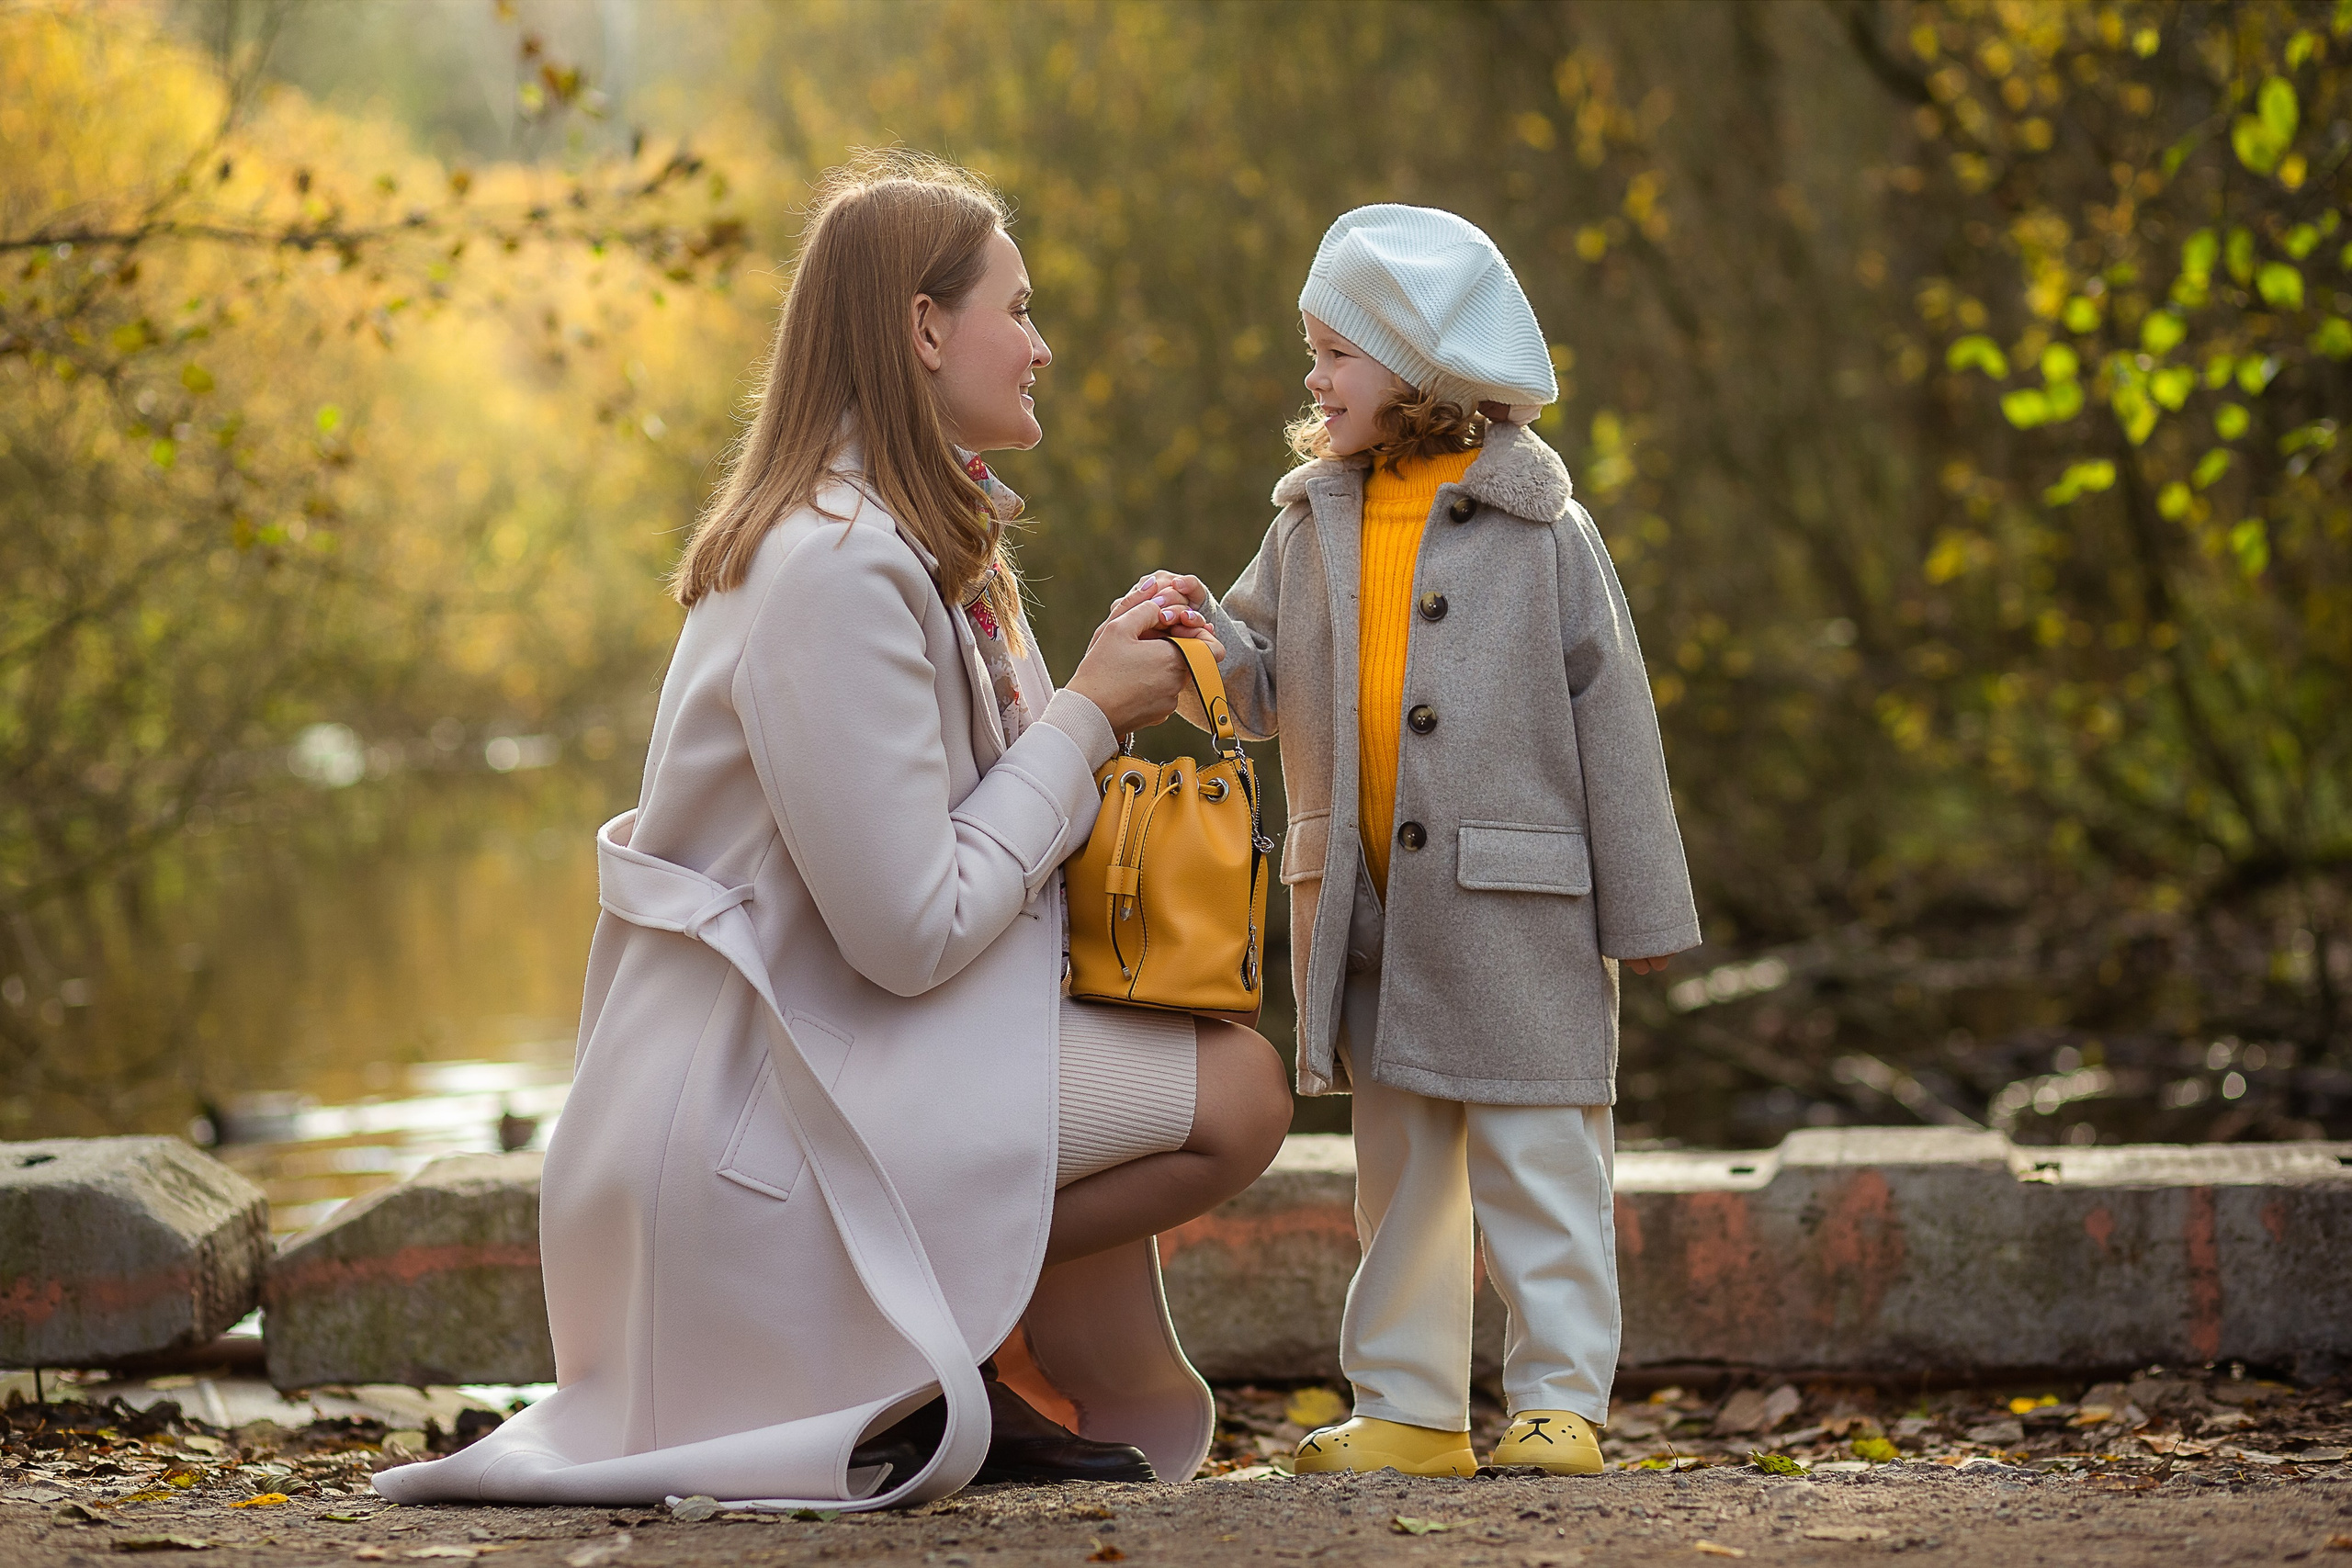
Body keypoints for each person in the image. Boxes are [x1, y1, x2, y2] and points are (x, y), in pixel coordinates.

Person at [374, 154, 1292, 1512]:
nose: (1040, 347)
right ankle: (922, 1361)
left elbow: (992, 824)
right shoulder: (833, 567)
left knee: (1209, 1065)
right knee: (1240, 1097)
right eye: (1018, 309)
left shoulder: (928, 542)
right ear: (926, 328)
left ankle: (971, 1366)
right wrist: (1092, 717)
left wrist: (1098, 673)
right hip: (773, 1103)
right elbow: (911, 931)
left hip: (838, 1045)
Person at [1119, 205, 1702, 1477]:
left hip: (1521, 907)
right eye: (1311, 354)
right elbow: (1261, 690)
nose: (1313, 380)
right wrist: (1198, 635)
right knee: (1399, 1180)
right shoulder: (1309, 520)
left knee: (1543, 1160)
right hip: (1367, 908)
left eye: (1336, 353)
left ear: (1421, 367)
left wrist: (1646, 917)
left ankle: (1558, 1399)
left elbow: (1617, 722)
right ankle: (1411, 1408)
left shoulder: (1543, 529)